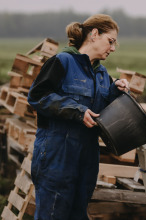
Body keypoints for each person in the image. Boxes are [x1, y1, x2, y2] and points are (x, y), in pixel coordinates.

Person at [27, 14, 129, 220]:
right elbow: (37, 96)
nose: (113, 48)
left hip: (87, 158)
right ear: (93, 34)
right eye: (110, 41)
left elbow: (101, 109)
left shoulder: (102, 74)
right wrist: (76, 110)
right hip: (57, 156)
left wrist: (115, 90)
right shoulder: (62, 62)